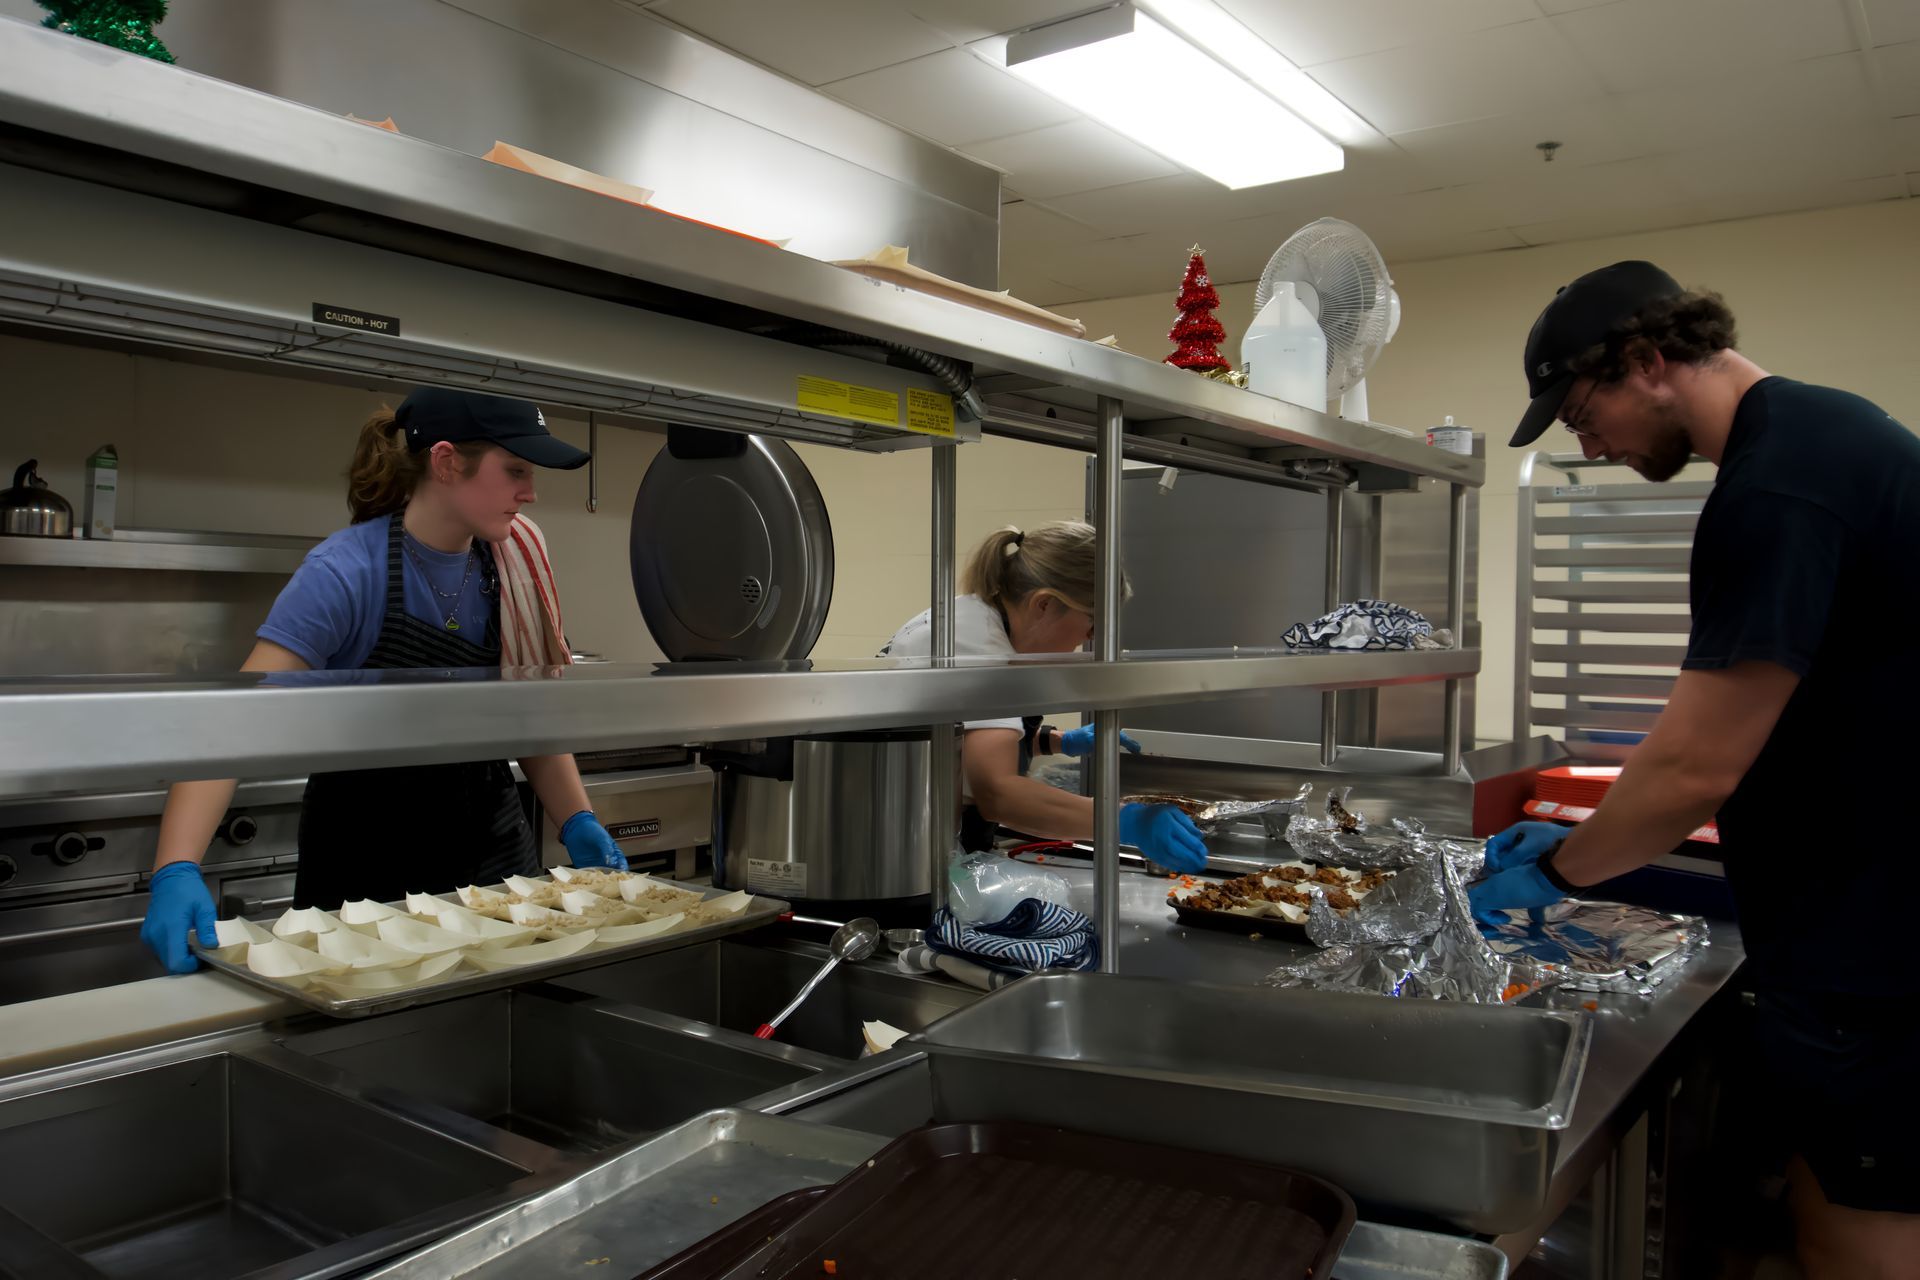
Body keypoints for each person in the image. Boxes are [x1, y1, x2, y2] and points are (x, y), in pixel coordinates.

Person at [1475, 260, 1920, 1278]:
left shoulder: (1776, 488)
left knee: (1867, 1229)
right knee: (1835, 1200)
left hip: (1879, 945)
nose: (1590, 444)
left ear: (1647, 360)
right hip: (1861, 920)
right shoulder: (1825, 430)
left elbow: (1694, 765)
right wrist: (1587, 837)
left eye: (1586, 413)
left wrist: (1557, 875)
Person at [139, 388, 630, 974]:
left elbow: (526, 713)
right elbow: (235, 722)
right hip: (367, 871)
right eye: (516, 470)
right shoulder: (346, 573)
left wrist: (576, 818)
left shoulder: (510, 562)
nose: (531, 493)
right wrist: (176, 866)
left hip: (494, 859)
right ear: (447, 462)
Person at [882, 521, 1209, 873]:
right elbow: (997, 792)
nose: (1087, 641)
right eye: (1092, 625)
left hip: (913, 830)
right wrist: (1123, 820)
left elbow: (961, 738)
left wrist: (1057, 741)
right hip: (895, 845)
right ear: (1045, 604)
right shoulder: (975, 646)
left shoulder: (976, 618)